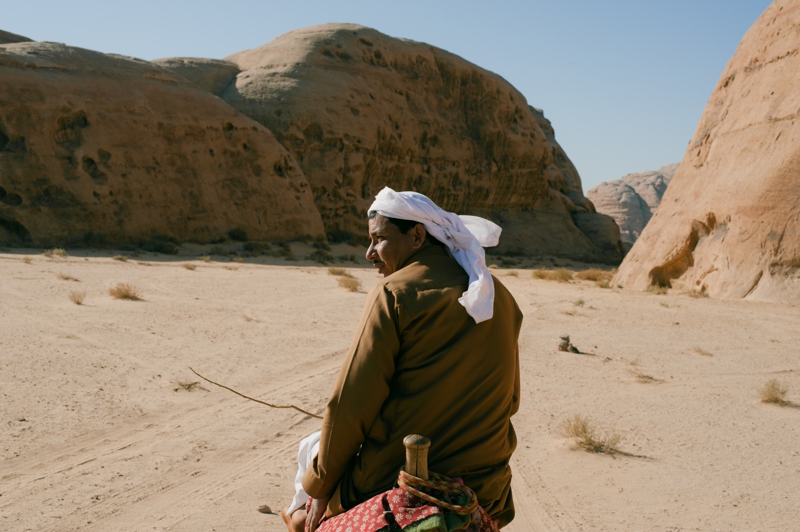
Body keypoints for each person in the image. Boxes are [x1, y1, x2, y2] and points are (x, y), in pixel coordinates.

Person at [281, 187, 522, 531]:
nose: (369, 253)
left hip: (401, 476)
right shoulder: (497, 294)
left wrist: (318, 487)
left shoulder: (394, 293)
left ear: (417, 236)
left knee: (301, 510)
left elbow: (350, 405)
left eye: (378, 239)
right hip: (487, 484)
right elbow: (510, 400)